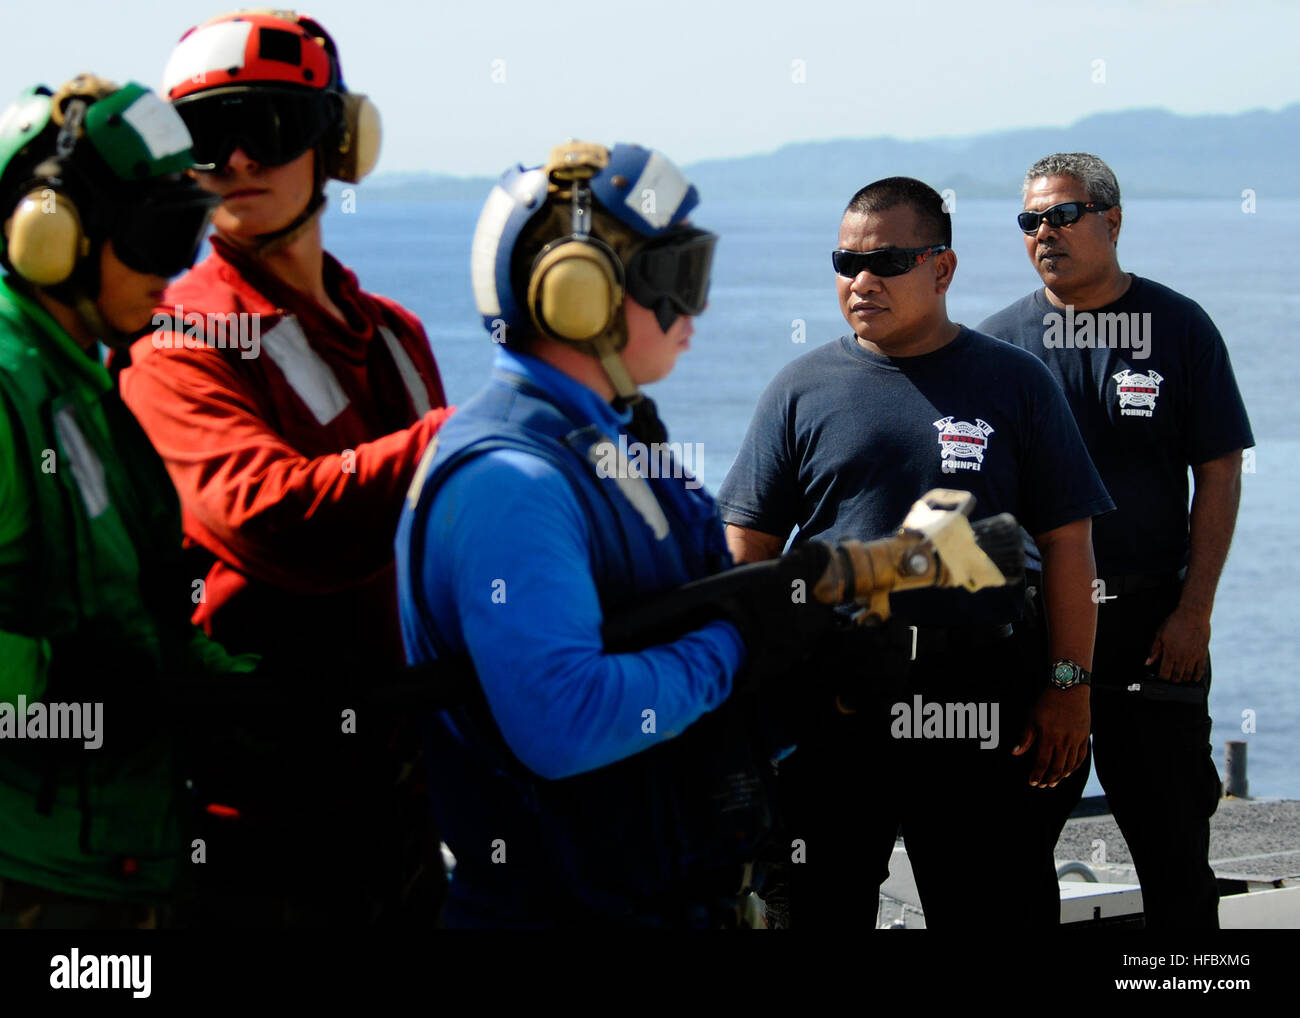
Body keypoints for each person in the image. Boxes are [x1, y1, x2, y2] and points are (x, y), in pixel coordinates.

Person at [396, 140, 794, 928]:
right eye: (676, 278)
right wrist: (742, 645)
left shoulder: (612, 442)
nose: (698, 309)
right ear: (580, 296)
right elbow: (565, 722)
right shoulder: (512, 483)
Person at [117, 11, 453, 926]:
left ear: (336, 142)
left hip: (408, 795)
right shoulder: (178, 337)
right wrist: (476, 434)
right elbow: (264, 516)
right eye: (203, 137)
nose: (233, 161)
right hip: (257, 823)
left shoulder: (393, 333)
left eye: (264, 127)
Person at [716, 177, 1115, 929]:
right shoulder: (802, 388)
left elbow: (1069, 543)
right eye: (846, 262)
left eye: (888, 262)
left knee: (996, 911)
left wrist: (1070, 686)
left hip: (980, 694)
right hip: (836, 702)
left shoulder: (1015, 382)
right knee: (815, 908)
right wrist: (750, 690)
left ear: (942, 269)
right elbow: (750, 545)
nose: (861, 281)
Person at [0, 74, 256, 928]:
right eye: (155, 239)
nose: (174, 274)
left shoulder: (84, 383)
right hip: (32, 881)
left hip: (112, 867)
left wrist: (252, 699)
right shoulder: (8, 390)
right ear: (57, 235)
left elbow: (141, 621)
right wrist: (63, 690)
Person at [979, 153, 1253, 930]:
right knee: (1013, 848)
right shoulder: (998, 346)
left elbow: (1221, 474)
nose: (1045, 233)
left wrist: (1194, 613)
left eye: (1063, 215)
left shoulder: (1180, 328)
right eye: (1030, 220)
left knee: (1173, 850)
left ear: (1112, 220)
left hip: (1150, 628)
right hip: (1035, 637)